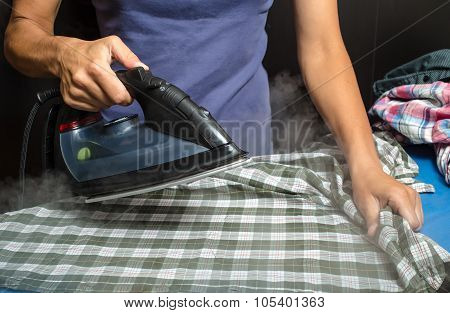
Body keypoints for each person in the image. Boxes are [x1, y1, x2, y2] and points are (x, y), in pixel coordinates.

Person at [4, 0, 423, 236]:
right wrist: (62, 53)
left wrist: (365, 164)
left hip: (245, 158)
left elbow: (323, 46)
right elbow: (24, 28)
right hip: (124, 170)